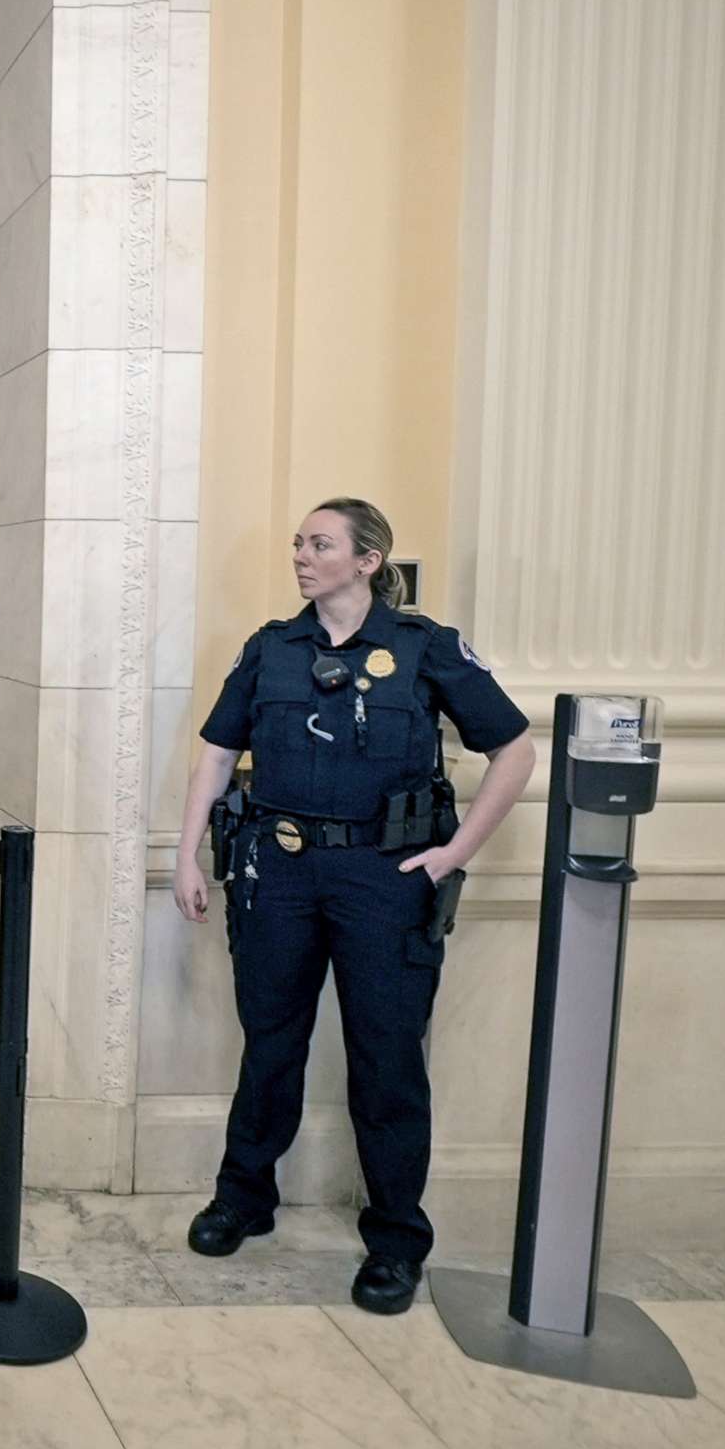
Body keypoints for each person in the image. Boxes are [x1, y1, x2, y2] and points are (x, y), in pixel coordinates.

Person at [170, 498, 535, 1314]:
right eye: (298, 541)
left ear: (369, 561)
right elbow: (219, 751)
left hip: (384, 877)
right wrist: (187, 850)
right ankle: (243, 1200)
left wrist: (452, 854)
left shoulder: (424, 649)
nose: (301, 554)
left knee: (387, 1060)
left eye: (321, 543)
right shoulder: (272, 649)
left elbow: (515, 749)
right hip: (280, 872)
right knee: (270, 1044)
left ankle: (397, 1240)